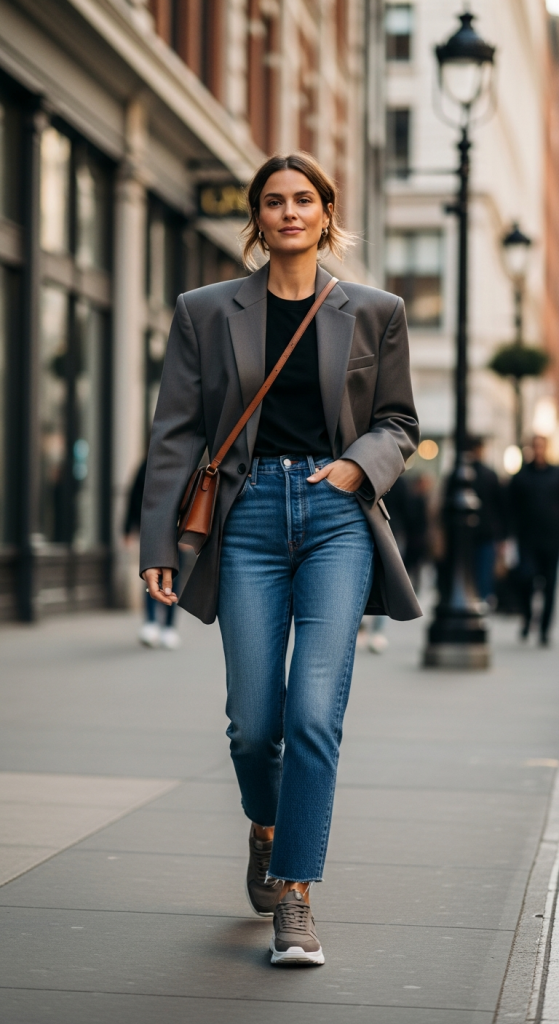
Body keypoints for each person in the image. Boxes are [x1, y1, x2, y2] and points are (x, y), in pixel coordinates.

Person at [139, 152, 420, 965]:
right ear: (256, 218)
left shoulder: (375, 310)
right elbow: (176, 431)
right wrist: (162, 539)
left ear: (326, 213)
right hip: (247, 518)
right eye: (273, 201)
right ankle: (265, 824)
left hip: (336, 518)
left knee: (310, 718)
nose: (288, 211)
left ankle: (295, 896)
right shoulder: (204, 311)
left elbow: (398, 421)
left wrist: (356, 464)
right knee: (252, 726)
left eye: (303, 199)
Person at [124, 458, 182, 649]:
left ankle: (169, 627)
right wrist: (128, 529)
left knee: (173, 579)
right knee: (151, 575)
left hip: (177, 532)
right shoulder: (147, 465)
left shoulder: (184, 462)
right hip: (152, 530)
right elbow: (134, 496)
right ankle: (151, 623)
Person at [509, 435, 559, 645]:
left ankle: (545, 629)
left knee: (549, 585)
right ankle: (527, 618)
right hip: (527, 538)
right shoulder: (521, 477)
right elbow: (511, 507)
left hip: (551, 538)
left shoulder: (555, 475)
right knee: (526, 579)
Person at [467, 437, 506, 603]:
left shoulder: (487, 475)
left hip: (482, 532)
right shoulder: (487, 475)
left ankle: (480, 598)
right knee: (479, 571)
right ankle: (481, 599)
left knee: (480, 571)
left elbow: (500, 506)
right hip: (482, 532)